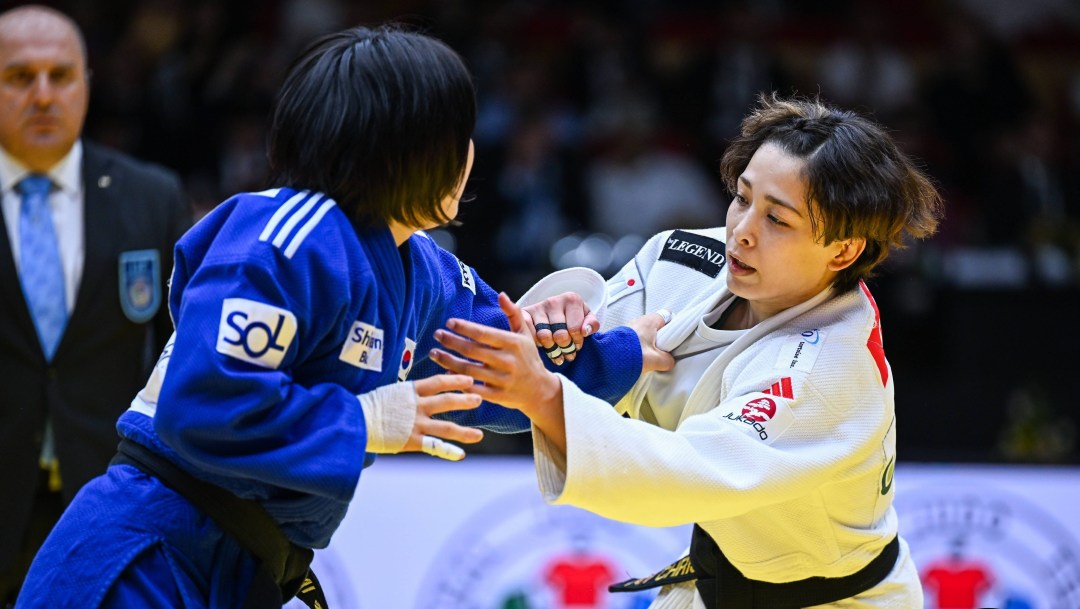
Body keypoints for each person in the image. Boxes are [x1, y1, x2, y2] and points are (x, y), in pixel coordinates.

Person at [16, 24, 644, 609]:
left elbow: (505, 378)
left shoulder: (420, 267)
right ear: (412, 146)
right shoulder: (280, 238)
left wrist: (627, 352)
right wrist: (366, 418)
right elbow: (203, 404)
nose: (473, 152)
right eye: (460, 132)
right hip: (146, 550)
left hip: (246, 564)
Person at [432, 93, 943, 609]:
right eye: (743, 199)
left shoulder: (826, 367)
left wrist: (541, 393)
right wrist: (550, 336)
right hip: (715, 579)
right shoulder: (683, 263)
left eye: (778, 221)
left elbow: (681, 474)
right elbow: (566, 362)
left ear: (843, 249)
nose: (741, 233)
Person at [0, 6, 192, 605]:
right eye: (19, 76)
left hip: (110, 502)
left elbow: (179, 353)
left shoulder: (151, 197)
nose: (42, 94)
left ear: (87, 82)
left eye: (60, 75)